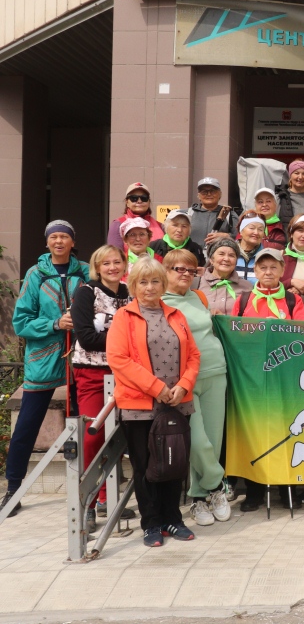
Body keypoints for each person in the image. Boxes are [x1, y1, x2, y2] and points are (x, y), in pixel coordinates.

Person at [105, 257, 202, 546]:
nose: (150, 287)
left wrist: (184, 385)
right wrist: (156, 387)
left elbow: (194, 356)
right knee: (145, 466)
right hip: (140, 405)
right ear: (133, 286)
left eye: (155, 281)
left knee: (175, 463)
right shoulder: (124, 317)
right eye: (143, 282)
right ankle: (151, 523)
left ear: (164, 284)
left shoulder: (176, 314)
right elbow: (118, 359)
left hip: (176, 403)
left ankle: (173, 519)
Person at [2, 221, 89, 517]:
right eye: (54, 237)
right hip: (44, 359)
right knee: (26, 426)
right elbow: (21, 322)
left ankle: (94, 491)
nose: (59, 241)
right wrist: (55, 323)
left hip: (81, 359)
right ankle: (13, 489)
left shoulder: (85, 272)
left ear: (73, 241)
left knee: (88, 425)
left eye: (64, 236)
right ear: (47, 242)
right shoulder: (35, 274)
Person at [230, 248, 304, 512]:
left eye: (273, 267)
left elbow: (302, 335)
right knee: (254, 431)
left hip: (284, 378)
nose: (268, 272)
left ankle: (288, 489)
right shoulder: (243, 300)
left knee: (286, 430)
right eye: (262, 267)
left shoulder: (292, 300)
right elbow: (235, 337)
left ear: (282, 270)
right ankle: (254, 491)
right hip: (252, 379)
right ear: (255, 270)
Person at [160, 250, 232, 528]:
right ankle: (218, 484)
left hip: (216, 372)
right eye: (180, 269)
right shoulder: (158, 301)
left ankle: (200, 498)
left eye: (192, 270)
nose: (186, 275)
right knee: (197, 442)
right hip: (184, 380)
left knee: (212, 441)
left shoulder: (199, 296)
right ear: (165, 270)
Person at [68, 245, 131, 529]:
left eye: (117, 262)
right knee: (93, 437)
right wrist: (125, 342)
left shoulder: (130, 293)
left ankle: (108, 498)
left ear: (124, 264)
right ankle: (88, 504)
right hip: (92, 372)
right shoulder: (86, 293)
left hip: (125, 373)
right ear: (97, 267)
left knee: (119, 437)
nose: (112, 267)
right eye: (106, 263)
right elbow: (86, 338)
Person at [196, 238, 254, 316]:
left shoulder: (247, 287)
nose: (226, 259)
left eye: (231, 255)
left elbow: (250, 317)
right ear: (211, 260)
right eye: (221, 254)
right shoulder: (196, 283)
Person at [107, 182, 164, 249]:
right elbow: (114, 253)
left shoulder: (160, 225)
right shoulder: (118, 224)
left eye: (144, 198)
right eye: (134, 198)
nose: (139, 201)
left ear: (149, 202)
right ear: (127, 202)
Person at [189, 177, 238, 246]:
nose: (209, 194)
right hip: (192, 253)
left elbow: (240, 237)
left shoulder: (229, 214)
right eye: (204, 192)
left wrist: (227, 236)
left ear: (220, 194)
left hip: (220, 253)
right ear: (198, 195)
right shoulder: (189, 213)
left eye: (213, 191)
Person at [235, 212, 265, 284]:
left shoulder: (266, 256)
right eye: (252, 228)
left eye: (260, 229)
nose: (256, 232)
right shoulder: (230, 253)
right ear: (241, 231)